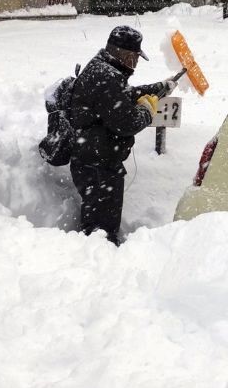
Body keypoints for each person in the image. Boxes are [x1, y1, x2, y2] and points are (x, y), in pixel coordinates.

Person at [65, 26, 174, 245]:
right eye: (135, 57)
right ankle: (101, 264)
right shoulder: (106, 76)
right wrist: (147, 110)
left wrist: (158, 88)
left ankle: (98, 254)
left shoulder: (103, 70)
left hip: (94, 159)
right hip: (98, 166)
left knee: (99, 223)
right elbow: (127, 122)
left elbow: (123, 96)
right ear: (123, 54)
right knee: (101, 231)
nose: (136, 63)